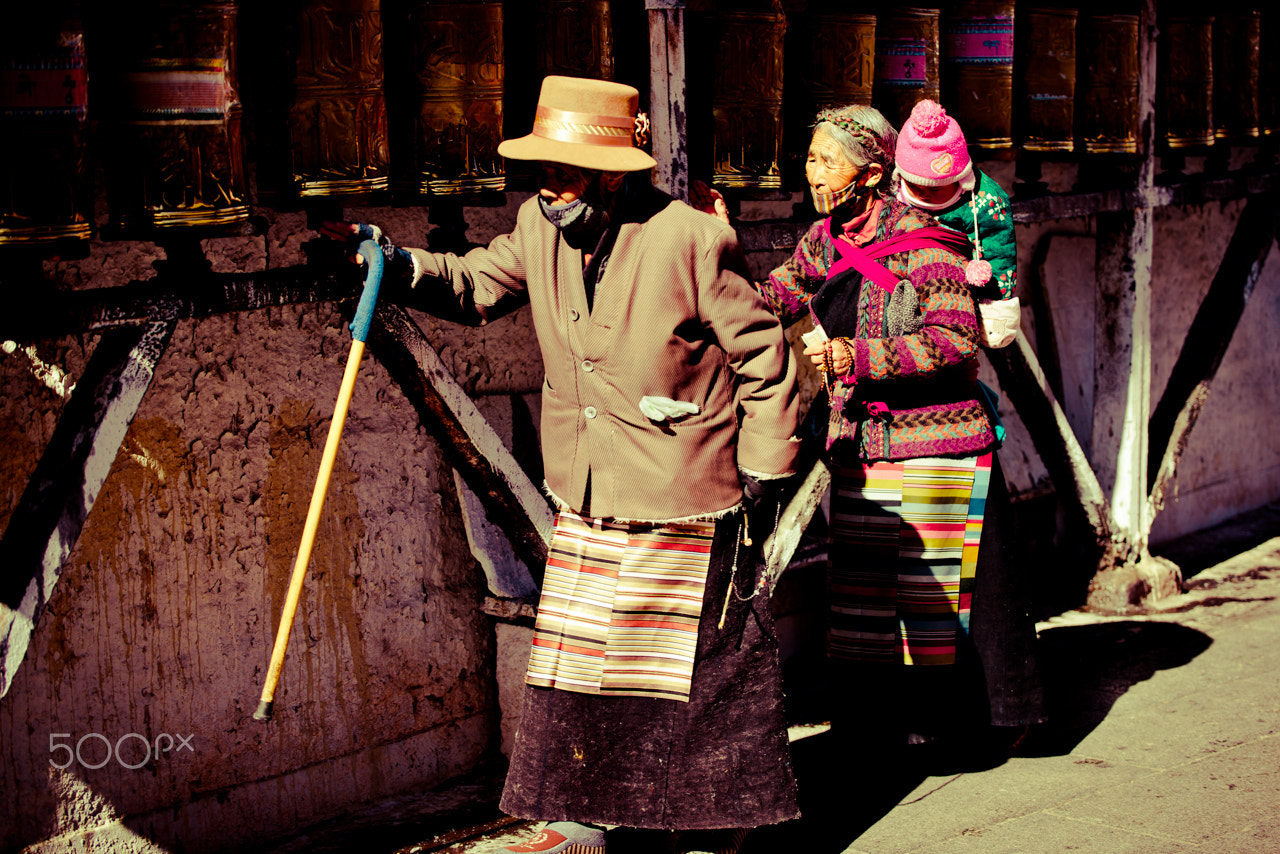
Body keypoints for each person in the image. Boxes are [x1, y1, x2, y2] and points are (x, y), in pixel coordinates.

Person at [324, 75, 802, 854]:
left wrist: (763, 472)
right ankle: (581, 819)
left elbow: (764, 357)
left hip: (683, 485)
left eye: (567, 172)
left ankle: (715, 824)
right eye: (542, 171)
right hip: (588, 485)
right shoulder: (537, 228)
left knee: (693, 671)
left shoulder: (688, 237)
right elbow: (478, 282)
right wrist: (396, 262)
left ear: (617, 171)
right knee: (580, 667)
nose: (551, 189)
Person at [701, 103, 1043, 767]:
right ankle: (885, 737)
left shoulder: (926, 243)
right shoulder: (824, 239)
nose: (813, 174)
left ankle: (947, 737)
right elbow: (769, 302)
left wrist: (856, 359)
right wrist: (724, 246)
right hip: (861, 447)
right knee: (866, 611)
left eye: (827, 161)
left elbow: (955, 341)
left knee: (932, 609)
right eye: (810, 159)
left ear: (871, 171)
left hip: (933, 445)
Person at [893, 99, 1020, 349]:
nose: (925, 195)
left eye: (936, 188)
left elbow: (1000, 252)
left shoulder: (986, 201)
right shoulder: (893, 196)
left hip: (960, 299)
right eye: (916, 187)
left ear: (960, 178)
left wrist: (994, 303)